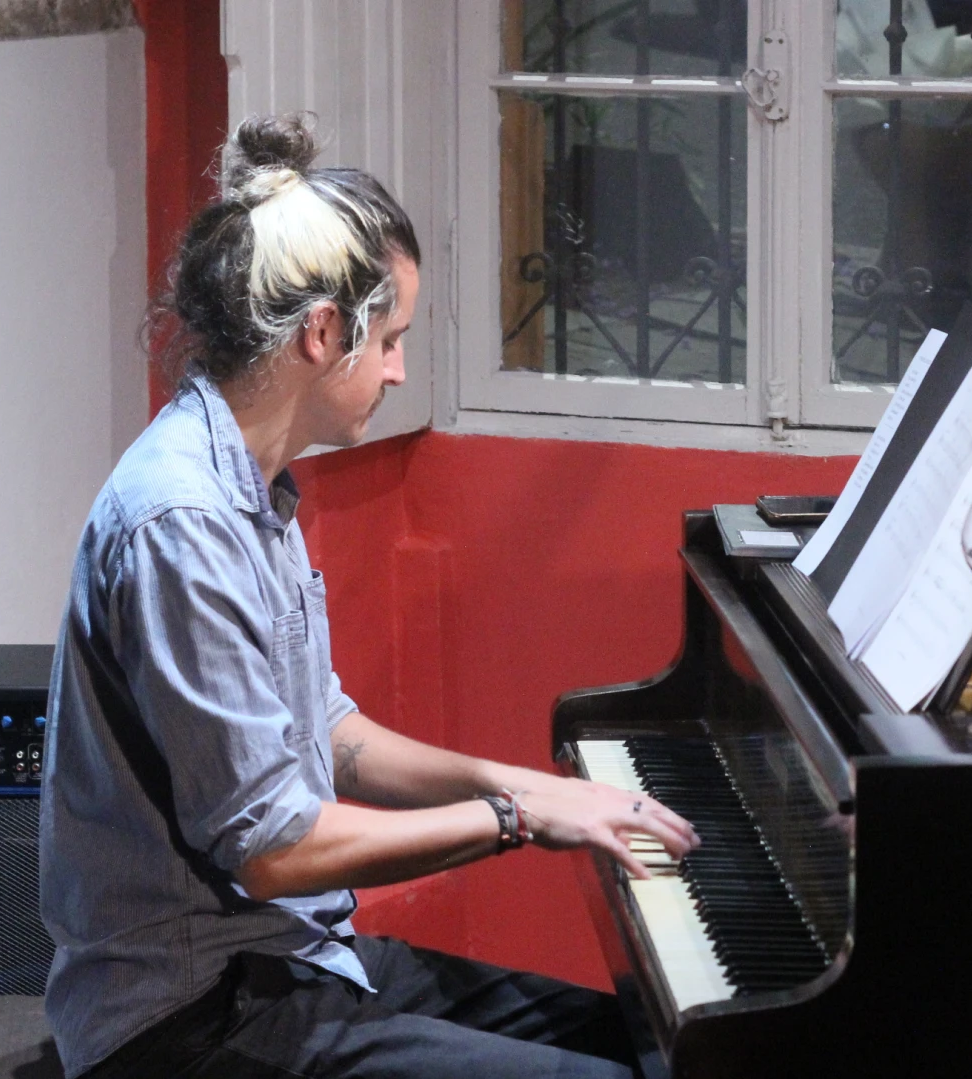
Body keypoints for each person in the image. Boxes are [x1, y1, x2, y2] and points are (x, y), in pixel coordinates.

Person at [39, 113, 697, 1079]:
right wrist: (517, 820)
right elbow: (275, 850)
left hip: (292, 959)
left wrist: (526, 785)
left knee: (663, 1047)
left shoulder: (252, 484)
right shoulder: (183, 521)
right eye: (389, 339)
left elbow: (331, 732)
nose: (397, 369)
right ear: (320, 333)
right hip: (184, 1019)